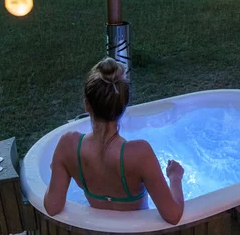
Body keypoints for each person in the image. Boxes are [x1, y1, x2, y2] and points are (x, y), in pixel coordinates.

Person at [43, 57, 185, 225]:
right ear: (123, 105)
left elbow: (52, 207)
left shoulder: (68, 146)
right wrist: (175, 177)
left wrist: (57, 168)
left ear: (87, 105)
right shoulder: (139, 153)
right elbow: (173, 215)